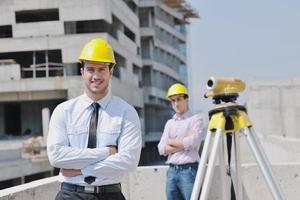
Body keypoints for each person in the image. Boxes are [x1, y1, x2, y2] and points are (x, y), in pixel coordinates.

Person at [47, 38, 142, 200]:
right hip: (70, 195)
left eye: (101, 69)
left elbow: (129, 160)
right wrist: (106, 152)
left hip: (109, 195)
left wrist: (82, 170)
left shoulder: (126, 112)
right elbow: (56, 156)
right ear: (82, 71)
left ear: (111, 71)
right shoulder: (64, 111)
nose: (96, 76)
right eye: (90, 69)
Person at [158, 83, 204, 200]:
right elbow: (161, 148)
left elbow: (193, 141)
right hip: (172, 171)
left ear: (186, 99)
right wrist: (183, 143)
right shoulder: (170, 123)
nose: (176, 104)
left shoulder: (196, 119)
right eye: (173, 101)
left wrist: (171, 142)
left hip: (189, 171)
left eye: (179, 99)